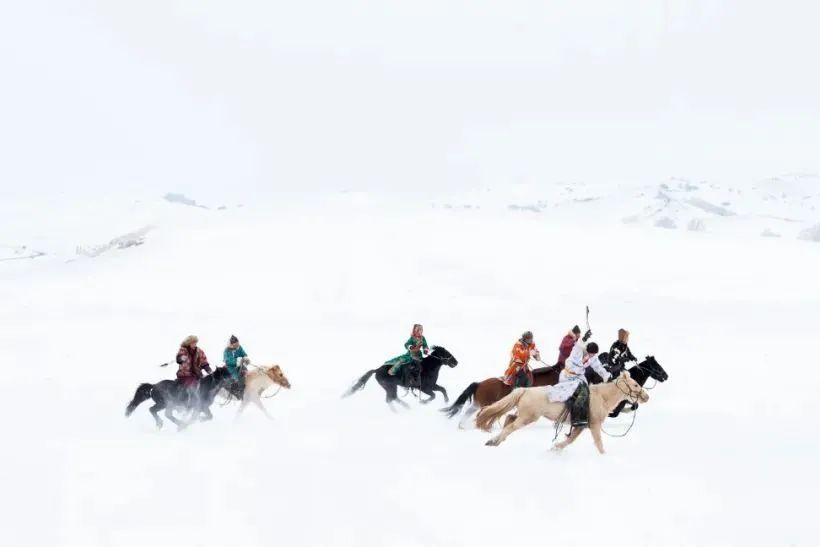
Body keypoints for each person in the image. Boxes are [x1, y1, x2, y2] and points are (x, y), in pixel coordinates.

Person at [545, 330, 610, 427]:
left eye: (594, 354)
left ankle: (582, 415)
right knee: (574, 393)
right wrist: (584, 338)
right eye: (591, 353)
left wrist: (606, 376)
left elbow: (598, 367)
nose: (592, 356)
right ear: (587, 350)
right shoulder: (578, 350)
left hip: (579, 376)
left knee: (586, 393)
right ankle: (574, 418)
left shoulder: (593, 357)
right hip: (568, 376)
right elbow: (579, 344)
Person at [176, 335, 211, 408]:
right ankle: (188, 403)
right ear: (189, 343)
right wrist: (181, 358)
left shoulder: (199, 351)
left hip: (196, 374)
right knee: (192, 385)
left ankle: (202, 401)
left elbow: (204, 361)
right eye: (193, 342)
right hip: (185, 374)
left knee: (204, 385)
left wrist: (208, 370)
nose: (195, 344)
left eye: (195, 342)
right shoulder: (183, 349)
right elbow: (178, 359)